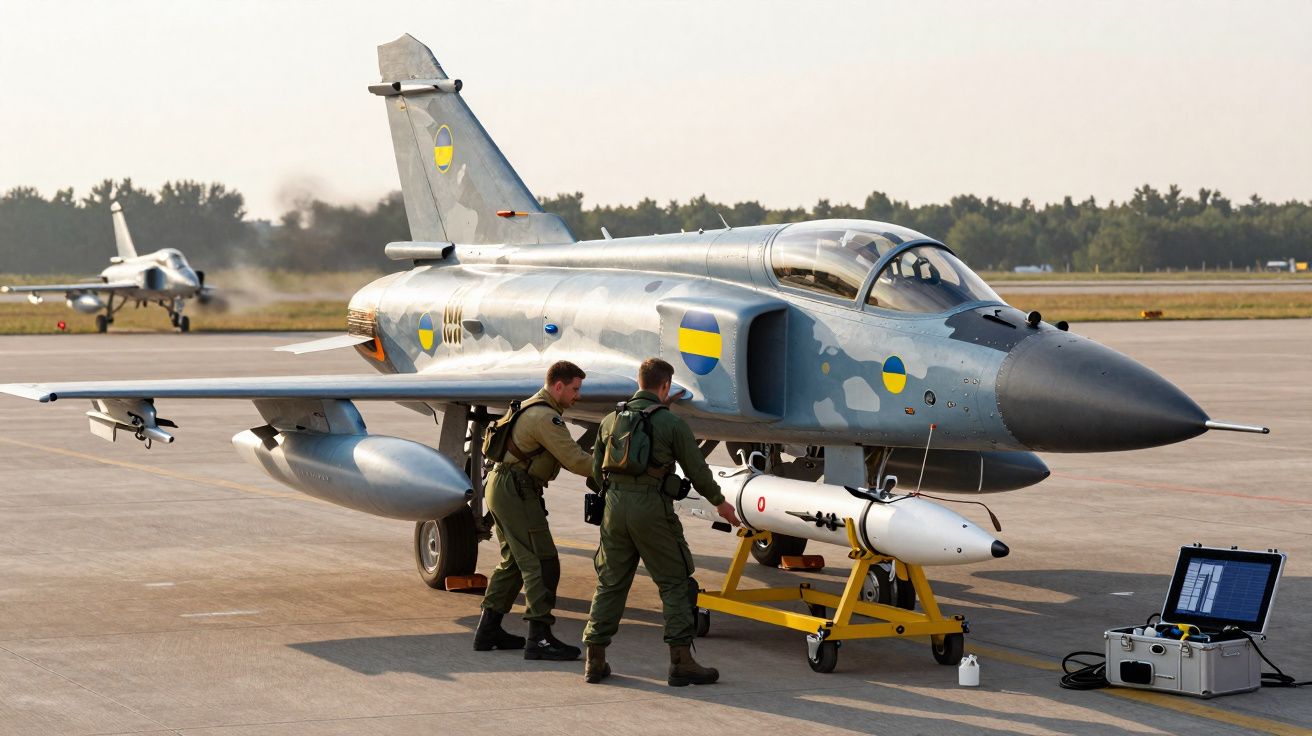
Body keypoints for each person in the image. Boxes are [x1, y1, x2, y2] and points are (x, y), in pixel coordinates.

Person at [581, 358, 740, 686]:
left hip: (613, 510)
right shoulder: (671, 423)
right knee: (675, 582)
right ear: (666, 386)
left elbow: (596, 473)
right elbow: (697, 471)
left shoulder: (611, 420)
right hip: (652, 510)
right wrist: (721, 503)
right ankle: (681, 663)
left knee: (610, 583)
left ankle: (594, 660)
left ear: (639, 381)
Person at [475, 361, 594, 661]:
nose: (578, 396)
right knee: (542, 562)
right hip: (515, 489)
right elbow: (576, 460)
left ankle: (488, 630)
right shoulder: (545, 417)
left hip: (503, 486)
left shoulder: (533, 407)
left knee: (514, 562)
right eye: (574, 389)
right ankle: (539, 639)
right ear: (558, 386)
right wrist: (617, 468)